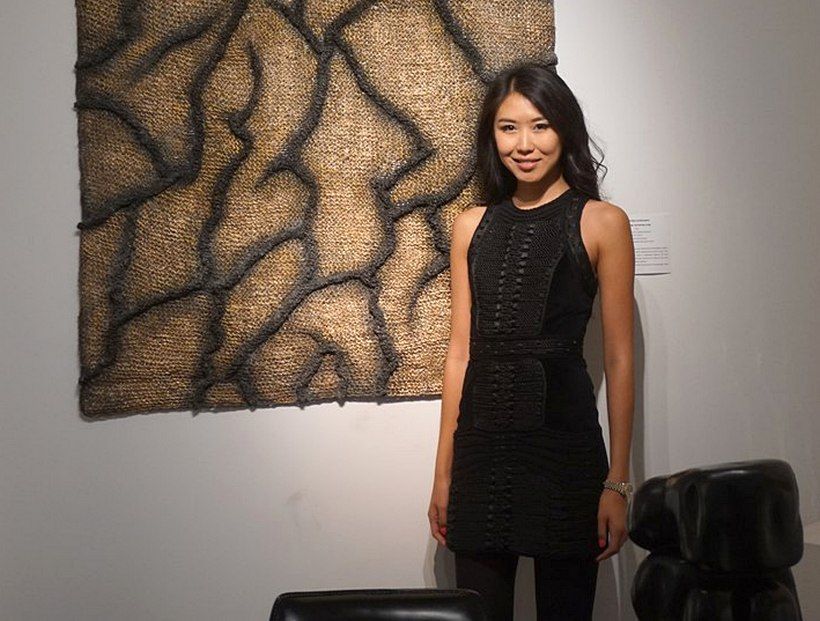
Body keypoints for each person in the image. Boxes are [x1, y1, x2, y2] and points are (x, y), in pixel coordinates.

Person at [428, 61, 635, 621]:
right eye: (508, 127)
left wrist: (619, 481)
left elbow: (619, 358)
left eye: (540, 126)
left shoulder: (603, 222)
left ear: (564, 129)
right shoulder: (471, 225)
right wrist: (444, 473)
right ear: (491, 137)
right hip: (480, 454)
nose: (524, 144)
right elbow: (460, 353)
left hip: (565, 452)